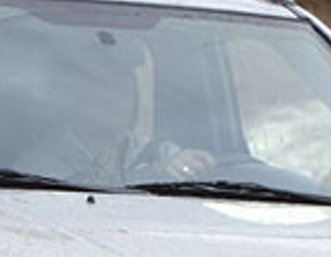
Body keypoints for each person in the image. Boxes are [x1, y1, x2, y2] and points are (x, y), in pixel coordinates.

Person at [15, 38, 213, 186]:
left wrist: (193, 166)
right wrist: (149, 176)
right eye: (104, 87)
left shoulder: (160, 154)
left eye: (123, 88)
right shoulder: (36, 170)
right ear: (75, 94)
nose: (117, 99)